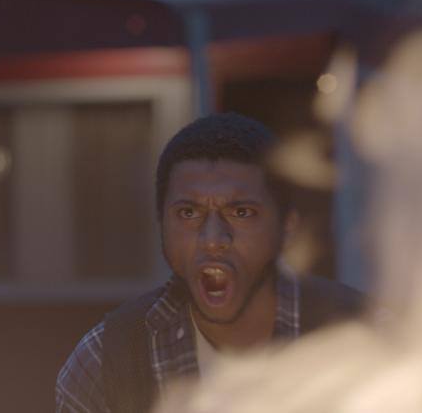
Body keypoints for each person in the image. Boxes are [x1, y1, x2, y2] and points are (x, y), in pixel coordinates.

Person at [55, 112, 363, 413]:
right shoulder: (108, 360)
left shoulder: (363, 336)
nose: (212, 239)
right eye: (188, 213)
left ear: (287, 226)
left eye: (241, 212)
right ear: (162, 225)